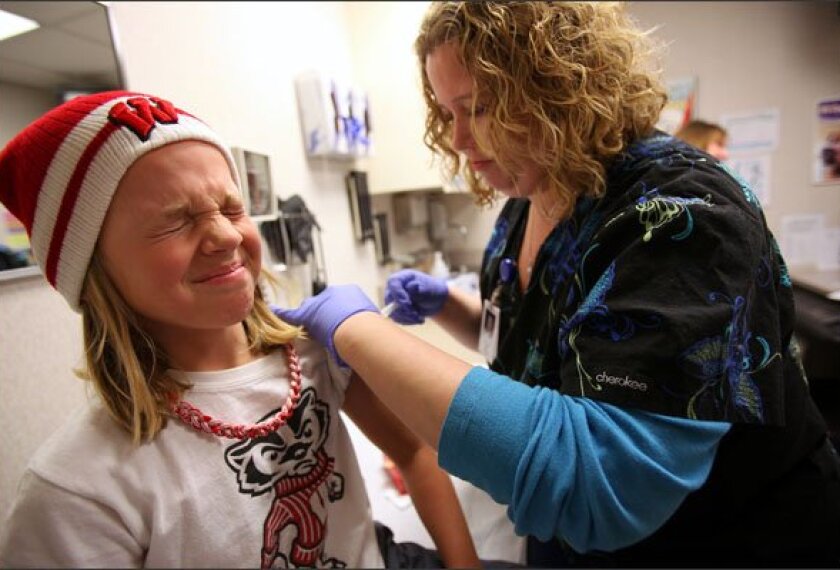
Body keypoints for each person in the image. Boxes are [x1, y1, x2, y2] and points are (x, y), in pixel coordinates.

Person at [275, 2, 840, 567]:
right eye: (447, 112)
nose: (457, 139)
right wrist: (453, 307)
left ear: (558, 89)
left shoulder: (678, 211)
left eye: (478, 108)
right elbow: (546, 345)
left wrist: (359, 331)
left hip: (725, 540)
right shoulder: (529, 198)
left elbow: (600, 484)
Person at [0, 91, 482, 569]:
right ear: (95, 269)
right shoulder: (75, 491)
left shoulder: (315, 354)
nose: (229, 236)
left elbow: (415, 453)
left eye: (232, 209)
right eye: (176, 221)